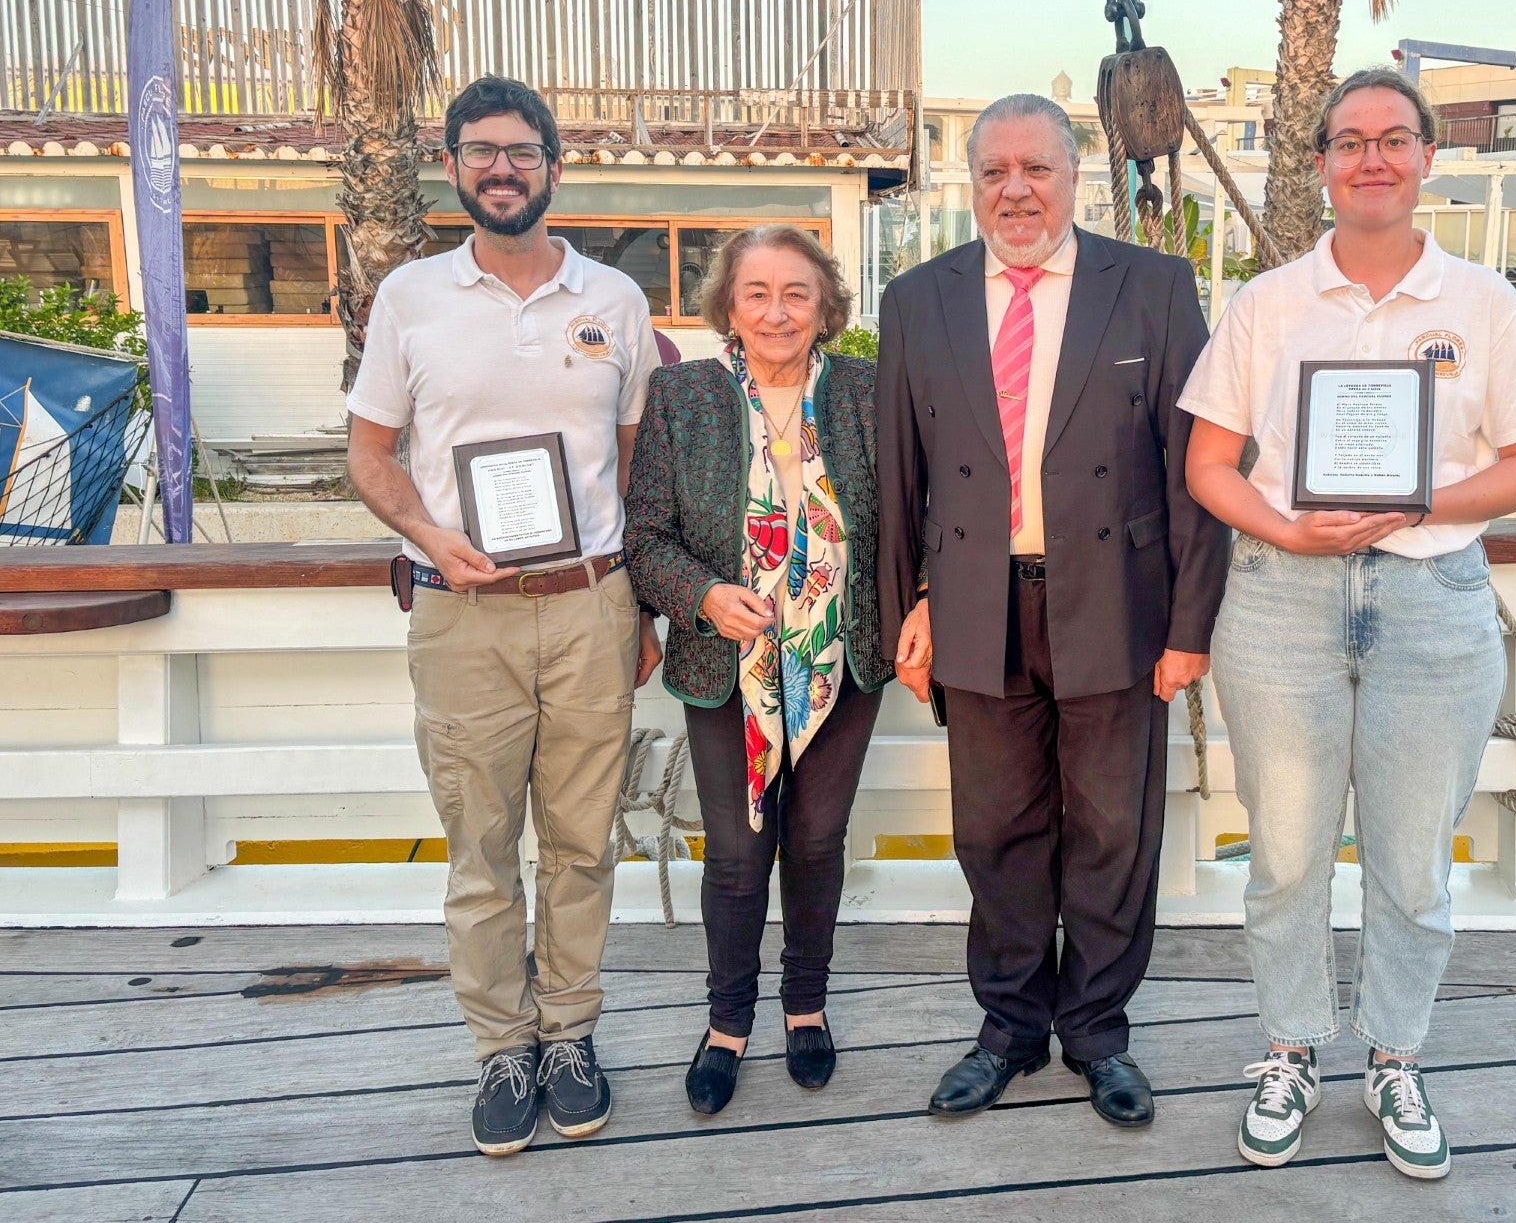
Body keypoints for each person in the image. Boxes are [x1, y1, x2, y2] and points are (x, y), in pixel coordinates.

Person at [1178, 67, 1516, 1180]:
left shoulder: (1483, 303)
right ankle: (1292, 1048)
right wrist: (1290, 532)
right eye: (1350, 141)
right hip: (1283, 600)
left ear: (1428, 157)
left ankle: (1394, 1055)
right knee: (1286, 859)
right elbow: (1212, 463)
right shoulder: (1267, 304)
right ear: (1320, 164)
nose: (1373, 159)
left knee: (1410, 868)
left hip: (1433, 600)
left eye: (1395, 139)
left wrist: (1420, 501)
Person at [878, 93, 1229, 1127]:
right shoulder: (919, 300)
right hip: (976, 606)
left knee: (1114, 830)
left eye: (1036, 168)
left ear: (1074, 177)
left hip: (1117, 604)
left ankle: (1098, 1032)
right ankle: (1009, 1027)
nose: (1015, 190)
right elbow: (904, 479)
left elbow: (1196, 473)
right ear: (973, 182)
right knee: (994, 828)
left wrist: (1189, 630)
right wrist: (910, 610)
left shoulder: (1156, 289)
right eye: (994, 172)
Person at [345, 75, 662, 1157]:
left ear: (554, 165)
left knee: (581, 843)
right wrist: (433, 537)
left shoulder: (613, 301)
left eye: (521, 152)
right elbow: (370, 455)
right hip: (459, 611)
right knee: (479, 848)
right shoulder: (410, 297)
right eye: (480, 151)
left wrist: (640, 606)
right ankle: (499, 1046)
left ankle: (569, 1035)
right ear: (451, 166)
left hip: (588, 608)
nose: (501, 169)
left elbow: (632, 466)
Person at [626, 225, 892, 1116]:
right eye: (757, 294)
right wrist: (702, 595)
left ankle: (805, 1006)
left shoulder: (867, 391)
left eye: (797, 294)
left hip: (840, 659)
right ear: (728, 308)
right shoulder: (682, 395)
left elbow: (911, 516)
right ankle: (728, 1023)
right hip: (725, 661)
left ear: (826, 308)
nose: (776, 312)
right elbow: (646, 538)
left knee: (816, 842)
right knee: (739, 855)